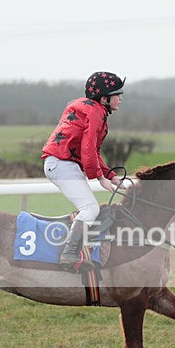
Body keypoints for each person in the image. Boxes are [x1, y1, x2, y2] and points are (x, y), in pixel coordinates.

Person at [42, 71, 125, 264]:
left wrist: (110, 175)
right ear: (104, 98)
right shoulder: (96, 113)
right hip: (62, 165)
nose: (120, 99)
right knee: (90, 208)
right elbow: (87, 150)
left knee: (90, 208)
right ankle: (69, 254)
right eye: (117, 94)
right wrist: (99, 178)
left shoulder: (92, 109)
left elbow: (93, 151)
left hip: (61, 163)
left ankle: (78, 249)